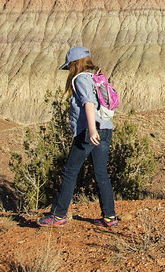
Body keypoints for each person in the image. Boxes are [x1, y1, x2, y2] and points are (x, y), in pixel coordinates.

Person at [37, 46, 118, 228]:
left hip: (89, 131)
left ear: (75, 63)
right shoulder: (96, 76)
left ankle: (58, 215)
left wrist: (91, 129)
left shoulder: (81, 78)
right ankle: (109, 217)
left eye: (69, 66)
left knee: (70, 171)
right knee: (101, 173)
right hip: (106, 128)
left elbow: (88, 102)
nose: (69, 70)